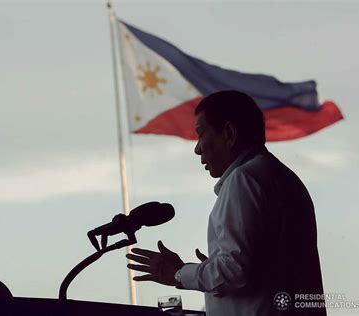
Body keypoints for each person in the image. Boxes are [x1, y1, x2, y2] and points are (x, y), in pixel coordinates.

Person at [126, 90, 326, 316]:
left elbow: (234, 272)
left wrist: (179, 273)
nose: (197, 148)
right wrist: (207, 271)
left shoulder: (244, 180)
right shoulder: (285, 178)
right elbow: (256, 271)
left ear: (229, 133)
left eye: (201, 134)